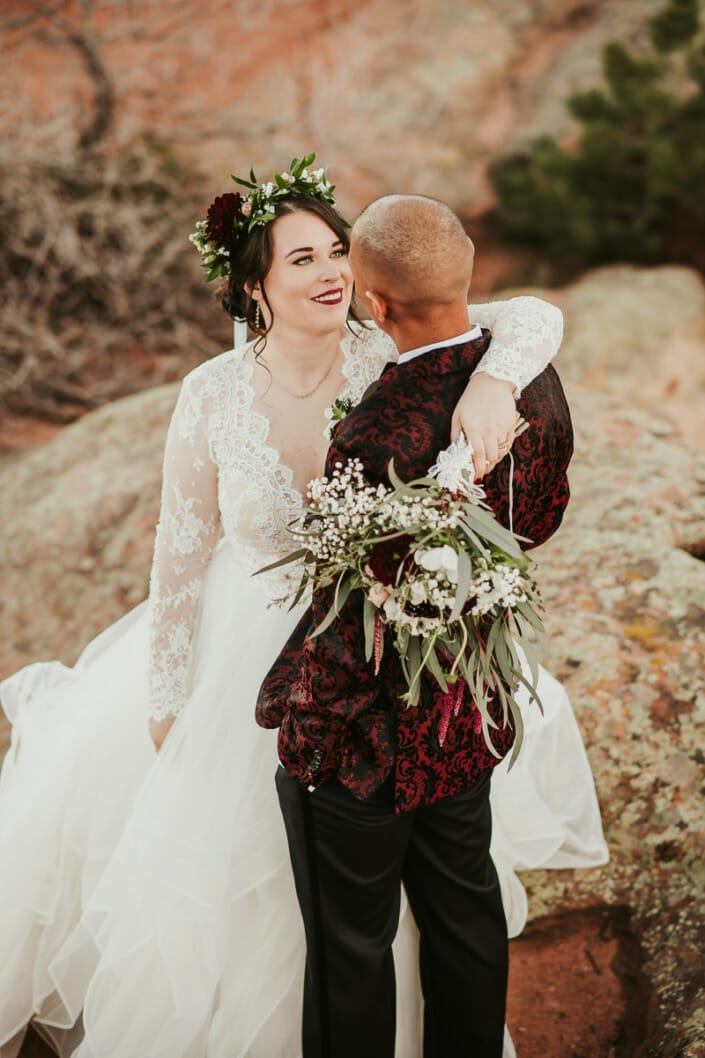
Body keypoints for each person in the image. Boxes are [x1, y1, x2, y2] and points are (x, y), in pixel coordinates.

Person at [0, 160, 606, 1058]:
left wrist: (495, 382)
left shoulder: (387, 361)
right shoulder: (210, 392)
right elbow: (181, 550)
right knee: (257, 890)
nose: (327, 274)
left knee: (380, 895)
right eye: (301, 260)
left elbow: (524, 314)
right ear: (254, 286)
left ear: (365, 284)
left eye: (335, 253)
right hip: (237, 654)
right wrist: (169, 699)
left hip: (374, 664)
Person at [255, 193, 598, 1058]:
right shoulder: (529, 383)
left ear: (373, 304)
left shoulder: (373, 430)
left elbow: (354, 609)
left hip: (366, 741)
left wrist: (298, 719)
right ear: (469, 264)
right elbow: (538, 506)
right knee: (466, 925)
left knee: (351, 952)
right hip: (463, 711)